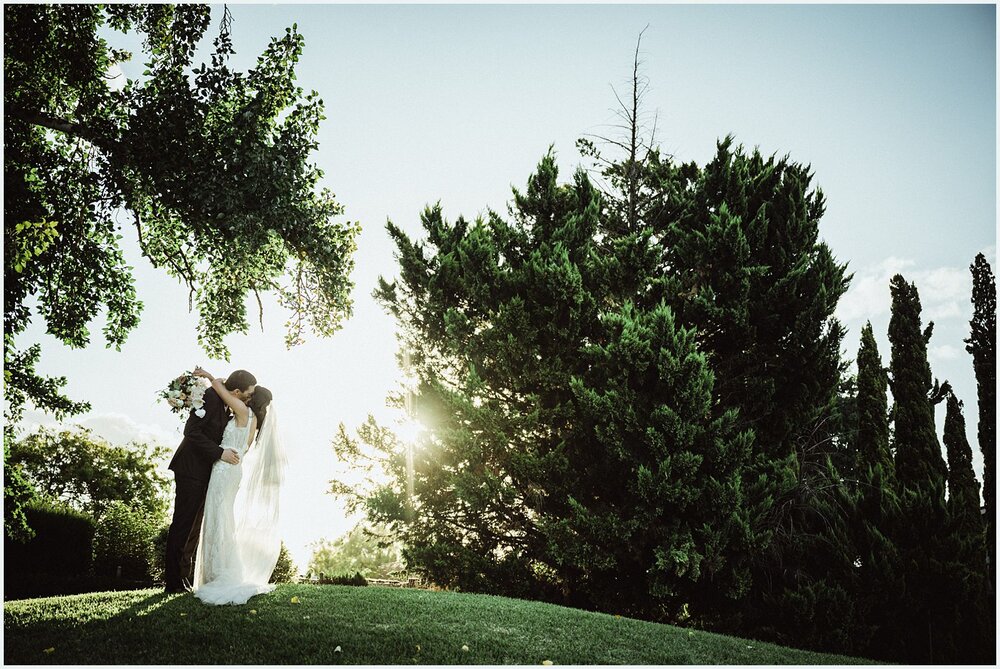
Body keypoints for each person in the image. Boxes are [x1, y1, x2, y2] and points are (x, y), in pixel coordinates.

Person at [190, 366, 285, 605]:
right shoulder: (254, 422)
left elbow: (220, 390)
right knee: (223, 519)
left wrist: (212, 377)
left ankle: (217, 574)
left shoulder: (243, 412)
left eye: (252, 395)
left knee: (218, 519)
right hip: (234, 471)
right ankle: (219, 570)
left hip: (224, 471)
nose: (247, 397)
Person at [164, 369, 256, 593]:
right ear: (236, 391)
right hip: (190, 469)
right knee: (183, 524)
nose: (249, 398)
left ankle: (183, 578)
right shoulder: (211, 397)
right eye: (248, 394)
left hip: (208, 474)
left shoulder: (229, 405)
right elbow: (191, 432)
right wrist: (219, 453)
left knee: (194, 528)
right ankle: (173, 582)